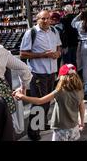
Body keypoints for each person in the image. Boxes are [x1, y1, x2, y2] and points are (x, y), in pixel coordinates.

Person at [14, 64, 85, 141]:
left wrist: (22, 96)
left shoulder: (59, 92)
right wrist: (82, 121)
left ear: (62, 78)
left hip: (61, 128)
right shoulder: (79, 90)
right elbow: (82, 107)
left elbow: (39, 101)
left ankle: (34, 132)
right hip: (74, 127)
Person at [20, 10, 62, 141]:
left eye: (47, 18)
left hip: (51, 72)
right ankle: (33, 131)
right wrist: (43, 55)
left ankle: (41, 123)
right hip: (37, 73)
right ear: (37, 19)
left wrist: (57, 54)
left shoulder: (54, 31)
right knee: (38, 102)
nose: (45, 21)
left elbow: (59, 47)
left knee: (47, 100)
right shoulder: (31, 33)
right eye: (42, 19)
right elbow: (23, 54)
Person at [72, 9, 87, 84]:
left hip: (83, 45)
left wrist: (78, 15)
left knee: (85, 67)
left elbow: (72, 23)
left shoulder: (79, 23)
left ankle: (86, 84)